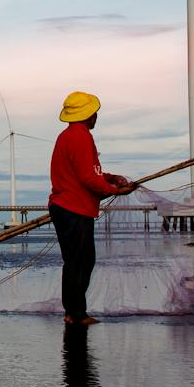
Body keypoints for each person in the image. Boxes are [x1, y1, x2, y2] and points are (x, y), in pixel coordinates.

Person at [48, 92, 134, 325]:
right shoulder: (80, 136)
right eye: (94, 112)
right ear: (87, 115)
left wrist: (111, 177)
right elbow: (88, 178)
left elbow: (89, 172)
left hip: (69, 207)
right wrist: (116, 190)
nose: (97, 116)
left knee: (81, 261)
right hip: (73, 208)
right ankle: (75, 314)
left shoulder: (68, 136)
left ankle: (74, 312)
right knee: (80, 262)